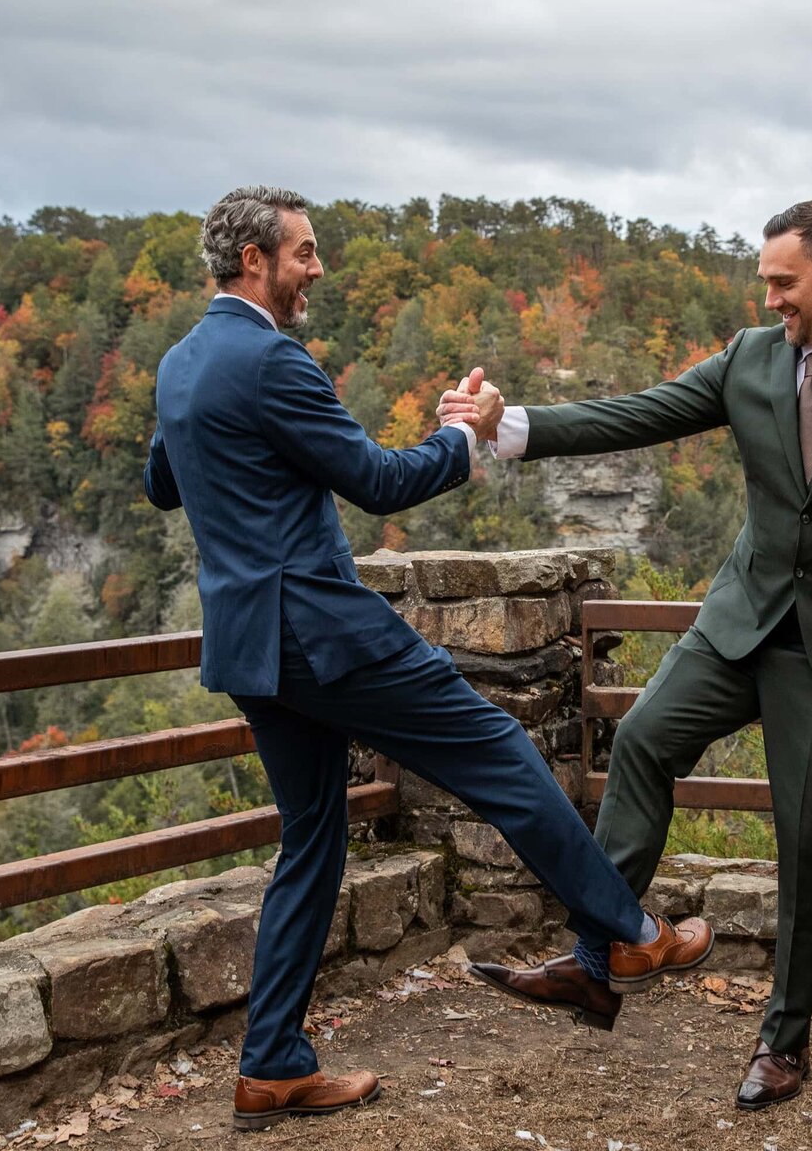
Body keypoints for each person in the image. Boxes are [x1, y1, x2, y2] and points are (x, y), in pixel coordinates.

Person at [439, 200, 812, 1112]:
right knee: (639, 742)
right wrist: (504, 423)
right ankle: (604, 959)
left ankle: (784, 1041)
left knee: (809, 840)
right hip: (741, 622)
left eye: (783, 282)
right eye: (765, 280)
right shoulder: (751, 360)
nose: (770, 298)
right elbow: (636, 415)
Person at [143, 186, 714, 1133]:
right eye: (305, 252)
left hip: (248, 646)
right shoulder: (274, 360)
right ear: (254, 260)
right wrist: (461, 434)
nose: (316, 268)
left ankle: (273, 1065)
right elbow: (377, 481)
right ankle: (629, 935)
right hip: (324, 634)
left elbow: (164, 481)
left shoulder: (179, 363)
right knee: (496, 748)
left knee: (311, 839)